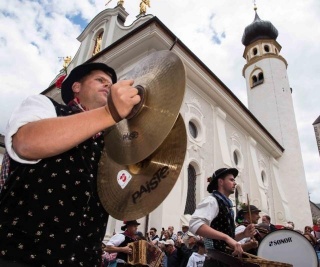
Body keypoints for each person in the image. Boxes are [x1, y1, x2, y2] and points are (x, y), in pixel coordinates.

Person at [0, 62, 141, 266]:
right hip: (19, 255)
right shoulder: (46, 106)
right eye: (100, 80)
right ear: (76, 87)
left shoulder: (113, 144)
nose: (107, 86)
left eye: (111, 85)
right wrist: (109, 113)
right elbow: (26, 143)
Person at [189, 168, 255, 267]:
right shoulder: (212, 200)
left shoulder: (227, 206)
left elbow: (226, 239)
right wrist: (226, 237)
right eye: (231, 180)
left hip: (225, 262)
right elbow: (195, 224)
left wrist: (244, 234)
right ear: (220, 182)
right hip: (215, 262)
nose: (235, 183)